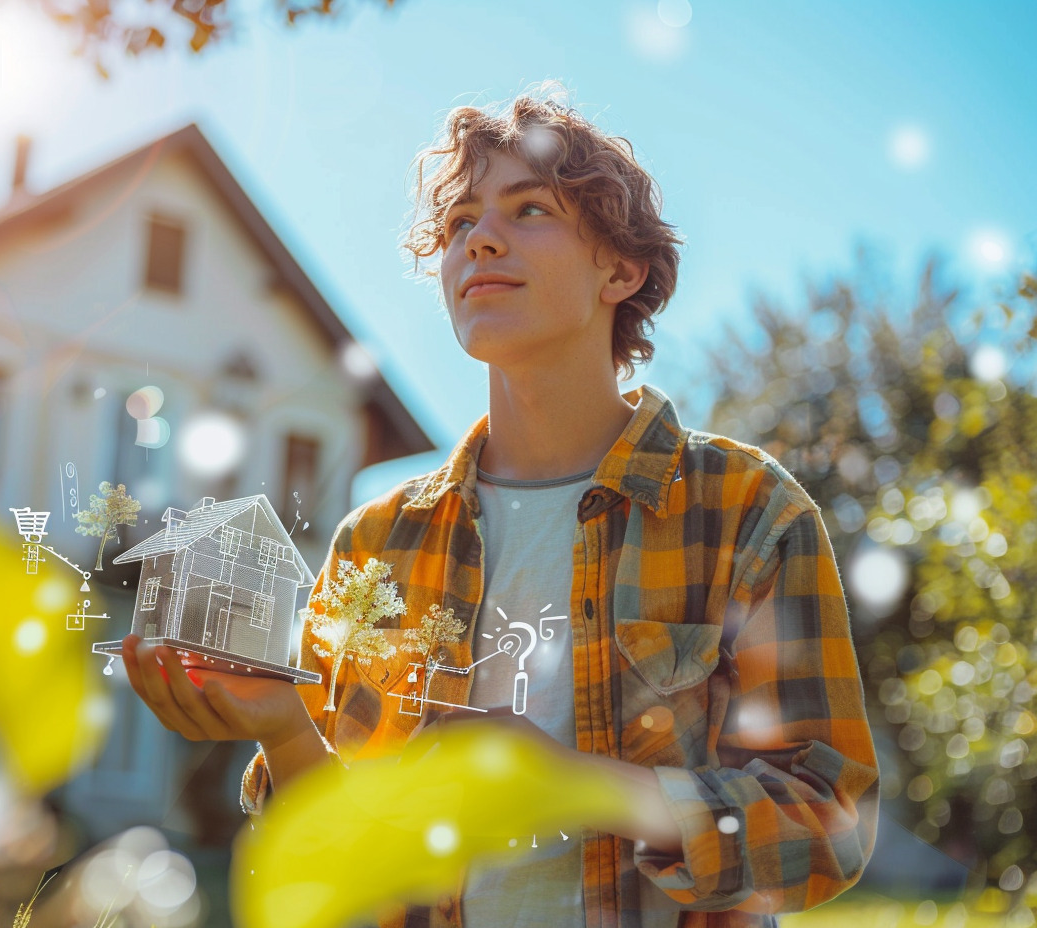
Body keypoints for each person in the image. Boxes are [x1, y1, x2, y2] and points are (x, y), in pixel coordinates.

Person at [121, 86, 879, 928]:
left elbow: (827, 824)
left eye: (529, 209)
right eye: (458, 224)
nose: (480, 239)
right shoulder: (376, 542)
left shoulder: (747, 512)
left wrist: (573, 784)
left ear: (621, 270)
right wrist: (286, 733)